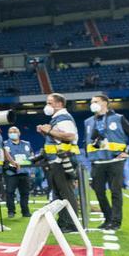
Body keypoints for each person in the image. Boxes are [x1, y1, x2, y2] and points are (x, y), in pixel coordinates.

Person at [84, 94, 129, 231]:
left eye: (96, 101)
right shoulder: (88, 121)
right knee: (98, 191)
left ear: (105, 103)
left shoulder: (118, 118)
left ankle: (116, 221)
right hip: (97, 162)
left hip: (115, 161)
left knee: (115, 191)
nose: (93, 104)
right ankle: (108, 218)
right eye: (91, 101)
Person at [36, 93, 81, 232]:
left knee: (66, 193)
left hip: (63, 159)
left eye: (50, 103)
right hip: (56, 160)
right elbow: (57, 138)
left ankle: (71, 224)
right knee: (60, 194)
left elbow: (70, 136)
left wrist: (49, 130)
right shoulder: (56, 118)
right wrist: (46, 132)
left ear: (59, 104)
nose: (47, 106)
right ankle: (63, 222)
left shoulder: (63, 117)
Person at [3, 126, 33, 218]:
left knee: (25, 193)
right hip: (11, 172)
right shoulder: (4, 144)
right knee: (10, 192)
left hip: (24, 172)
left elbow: (31, 155)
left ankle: (25, 211)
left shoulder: (27, 144)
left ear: (19, 133)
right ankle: (11, 211)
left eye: (15, 131)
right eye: (10, 131)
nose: (13, 133)